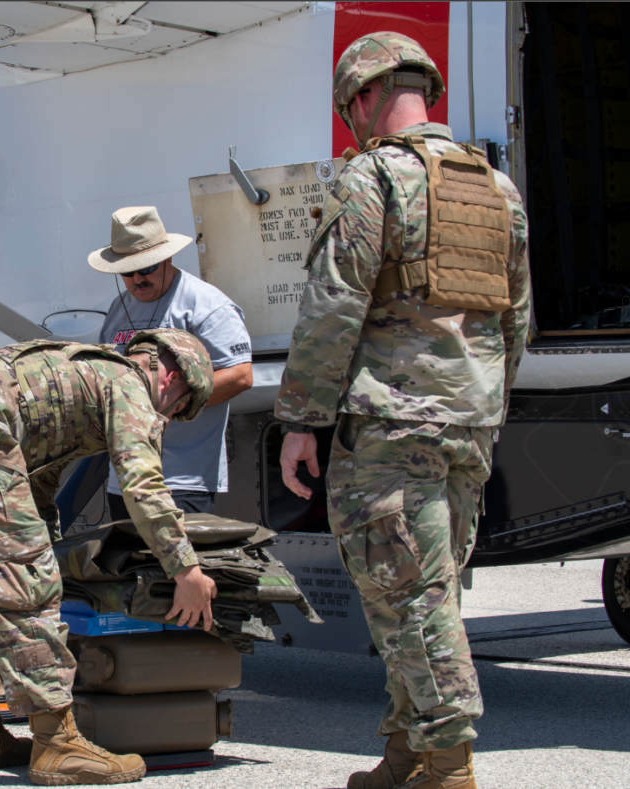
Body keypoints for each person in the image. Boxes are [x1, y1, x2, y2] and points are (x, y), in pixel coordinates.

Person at [275, 32, 530, 789]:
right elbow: (517, 321)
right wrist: (482, 404)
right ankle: (407, 752)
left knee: (408, 596)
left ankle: (449, 764)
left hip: (391, 425)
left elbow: (333, 306)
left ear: (362, 98)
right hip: (468, 425)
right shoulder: (497, 187)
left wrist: (301, 419)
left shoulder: (373, 179)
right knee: (422, 587)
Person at [0, 328, 217, 786]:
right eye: (181, 407)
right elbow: (143, 485)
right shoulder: (130, 383)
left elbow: (39, 472)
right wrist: (187, 569)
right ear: (173, 378)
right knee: (27, 587)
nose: (173, 415)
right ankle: (57, 744)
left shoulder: (82, 371)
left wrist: (46, 539)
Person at [89, 206, 253, 520]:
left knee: (179, 568)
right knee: (129, 567)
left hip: (181, 479)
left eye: (146, 268)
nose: (137, 279)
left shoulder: (205, 304)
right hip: (123, 477)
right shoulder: (118, 308)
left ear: (167, 258)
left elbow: (241, 376)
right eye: (127, 271)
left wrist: (171, 402)